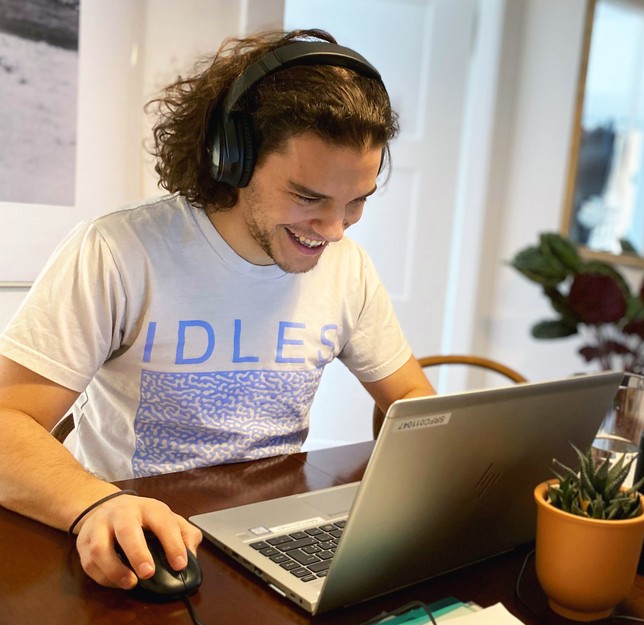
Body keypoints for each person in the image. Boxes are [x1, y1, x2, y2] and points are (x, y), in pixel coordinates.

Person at [0, 29, 435, 592]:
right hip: (139, 546)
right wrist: (94, 504)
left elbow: (413, 401)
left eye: (356, 202)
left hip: (275, 540)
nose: (333, 230)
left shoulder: (348, 267)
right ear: (231, 160)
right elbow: (8, 423)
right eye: (308, 198)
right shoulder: (118, 250)